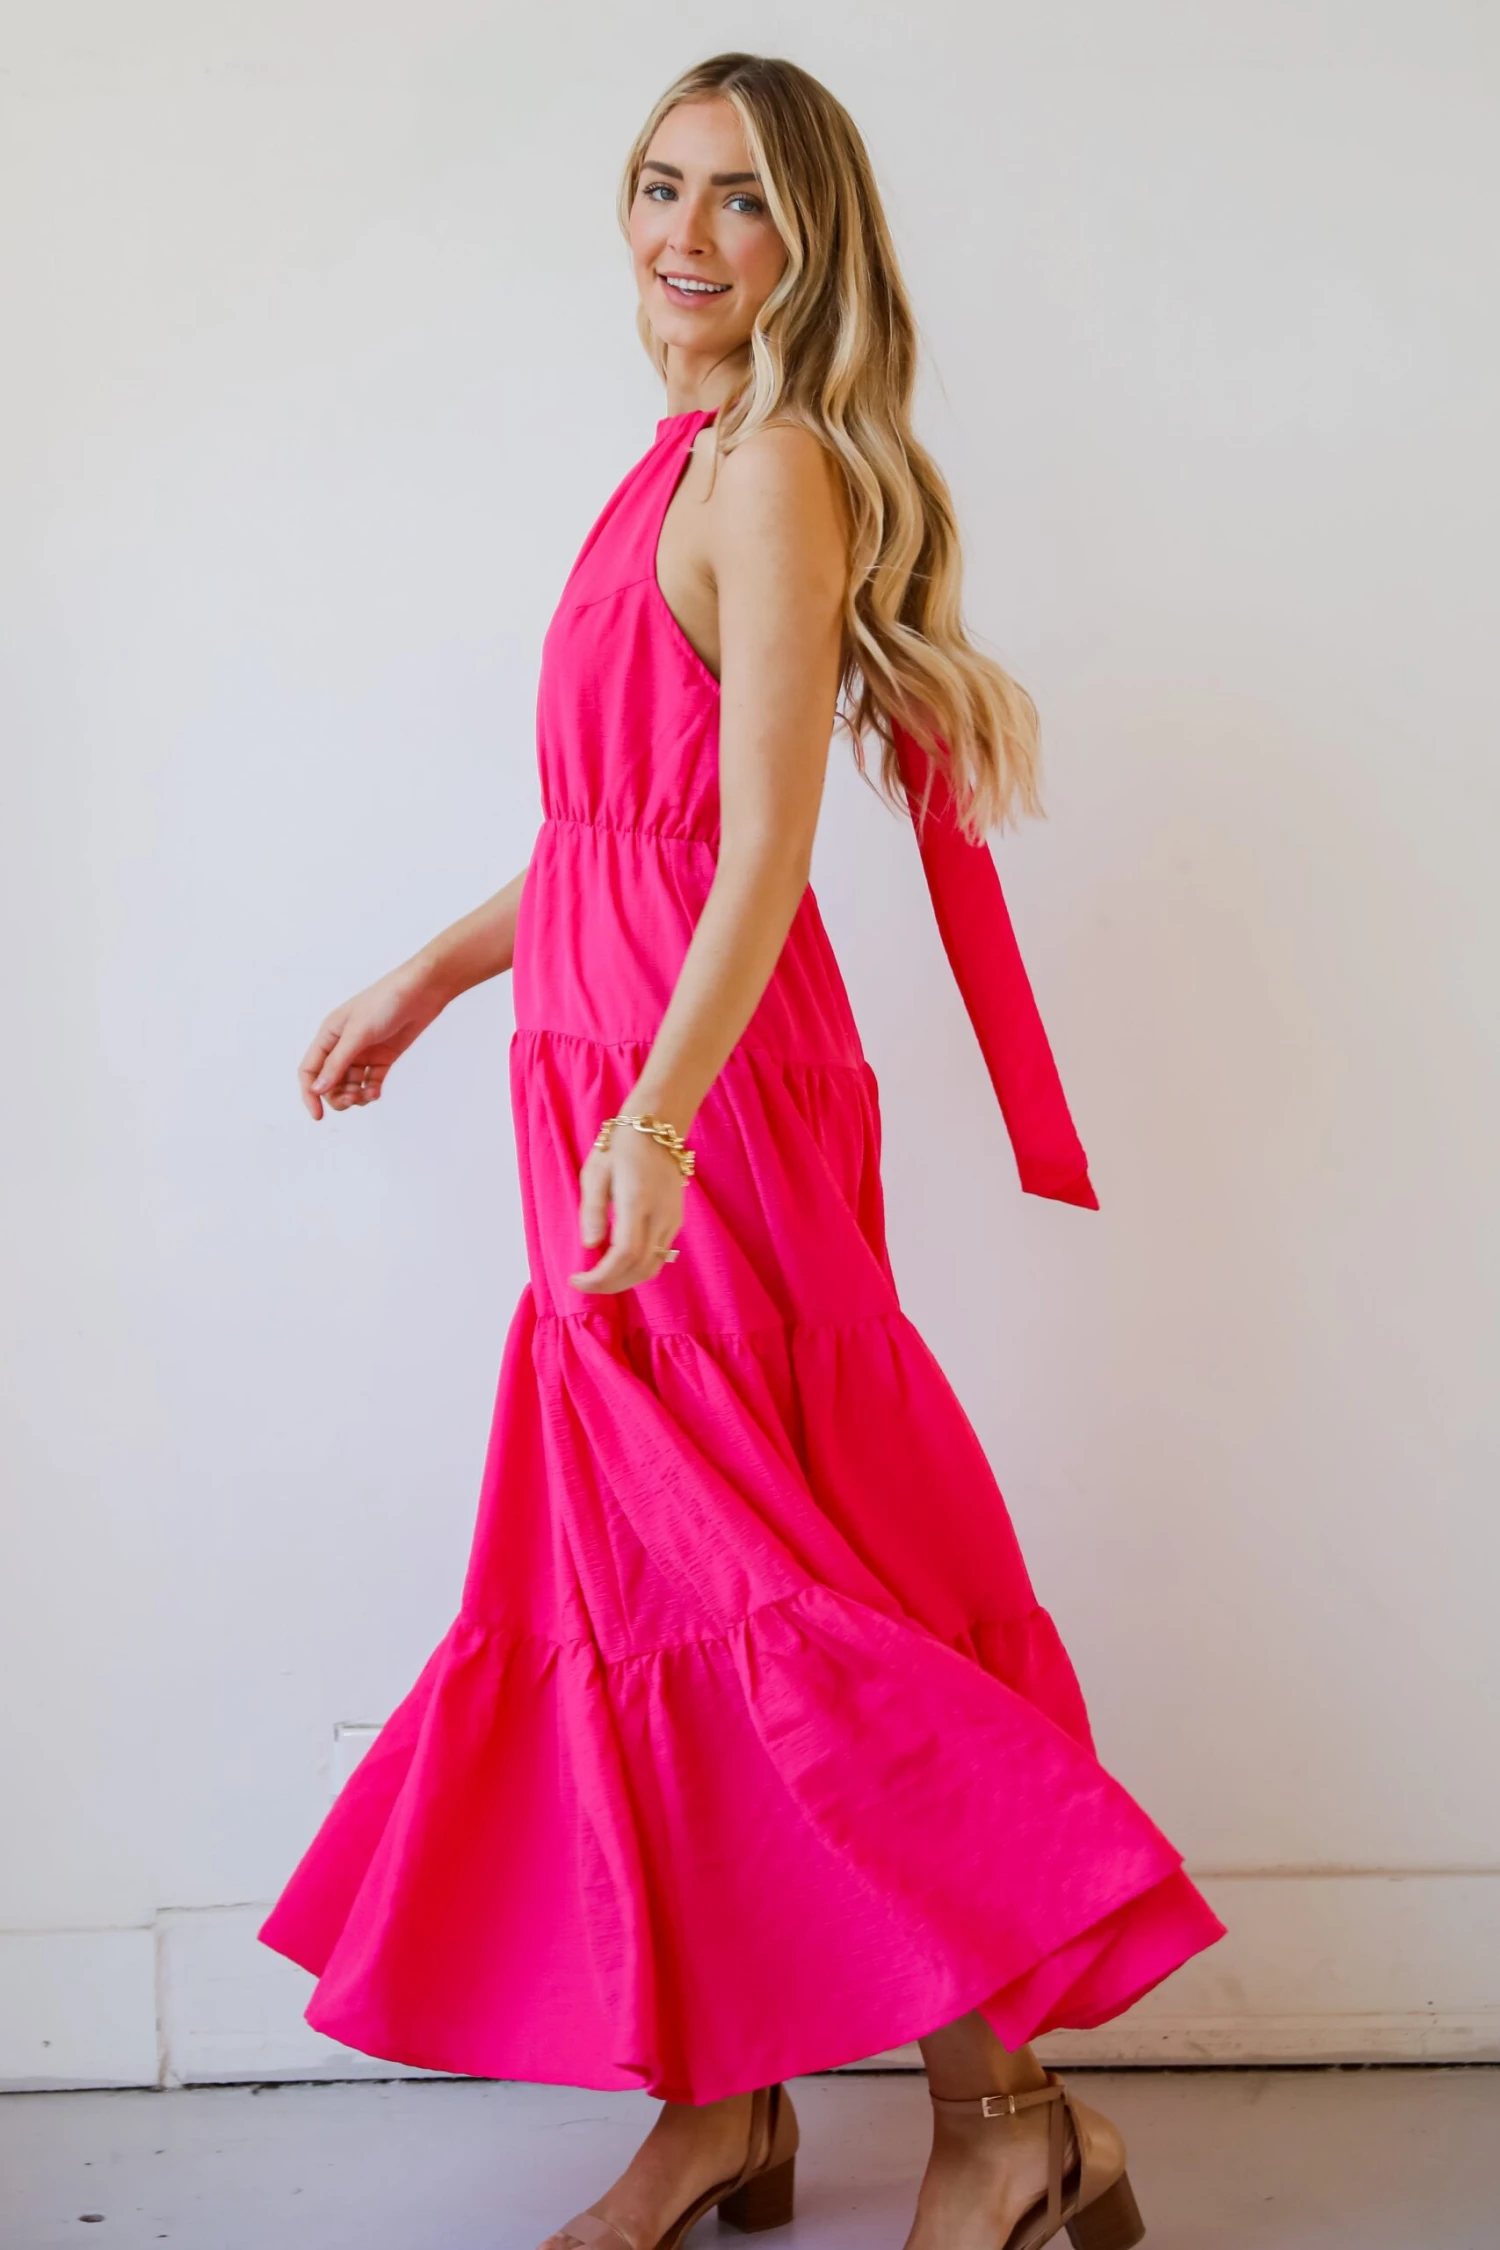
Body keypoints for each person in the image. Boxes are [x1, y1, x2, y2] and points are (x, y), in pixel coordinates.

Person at [258, 51, 1225, 2250]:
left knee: (784, 1588)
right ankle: (724, 2108)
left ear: (813, 246)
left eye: (743, 200)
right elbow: (619, 838)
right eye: (659, 185)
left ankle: (1009, 2115)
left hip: (697, 1096)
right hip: (607, 1078)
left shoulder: (774, 471)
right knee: (638, 1593)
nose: (685, 235)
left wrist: (665, 1116)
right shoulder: (674, 469)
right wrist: (431, 979)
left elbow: (765, 843)